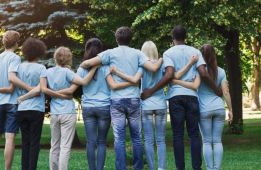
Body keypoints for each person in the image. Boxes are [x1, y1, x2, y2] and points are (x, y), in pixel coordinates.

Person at [80, 26, 163, 170]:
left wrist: (100, 62)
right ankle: (138, 168)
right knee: (137, 137)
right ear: (130, 39)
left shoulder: (110, 53)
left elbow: (86, 63)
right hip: (134, 100)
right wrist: (161, 59)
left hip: (116, 101)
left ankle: (121, 168)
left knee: (119, 139)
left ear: (116, 38)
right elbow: (154, 68)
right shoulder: (137, 53)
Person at [141, 25, 221, 170]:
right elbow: (203, 73)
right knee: (194, 135)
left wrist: (151, 91)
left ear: (173, 38)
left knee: (177, 135)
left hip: (175, 97)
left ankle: (180, 168)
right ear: (186, 37)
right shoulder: (195, 51)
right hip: (192, 97)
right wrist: (217, 90)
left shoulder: (168, 53)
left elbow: (169, 74)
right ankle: (197, 167)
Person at [110, 40, 198, 170]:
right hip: (161, 104)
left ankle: (152, 167)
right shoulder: (162, 65)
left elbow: (134, 79)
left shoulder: (141, 65)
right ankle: (161, 168)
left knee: (149, 140)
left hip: (146, 105)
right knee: (161, 140)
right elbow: (167, 80)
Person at [57, 38, 135, 170]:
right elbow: (112, 85)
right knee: (102, 142)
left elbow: (75, 86)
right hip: (104, 107)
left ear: (87, 50)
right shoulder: (106, 68)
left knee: (90, 142)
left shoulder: (82, 68)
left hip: (88, 108)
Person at [172, 44, 233, 170]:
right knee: (217, 141)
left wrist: (176, 81)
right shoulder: (221, 71)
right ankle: (217, 168)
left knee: (206, 141)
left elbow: (194, 86)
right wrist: (230, 110)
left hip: (204, 109)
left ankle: (210, 168)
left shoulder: (198, 71)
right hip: (219, 108)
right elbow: (225, 92)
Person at [40, 46, 97, 170]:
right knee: (65, 147)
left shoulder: (47, 72)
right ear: (68, 59)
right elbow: (84, 82)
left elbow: (44, 89)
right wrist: (94, 68)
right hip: (67, 112)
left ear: (56, 58)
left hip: (54, 113)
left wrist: (56, 93)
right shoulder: (68, 72)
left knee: (54, 145)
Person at [12, 37, 47, 170]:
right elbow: (40, 89)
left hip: (22, 109)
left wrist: (22, 98)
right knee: (34, 142)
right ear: (39, 52)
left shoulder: (18, 67)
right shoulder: (41, 68)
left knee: (25, 142)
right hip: (37, 109)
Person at [0, 30, 21, 170]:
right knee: (9, 138)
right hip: (11, 103)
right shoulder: (15, 58)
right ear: (16, 43)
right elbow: (12, 85)